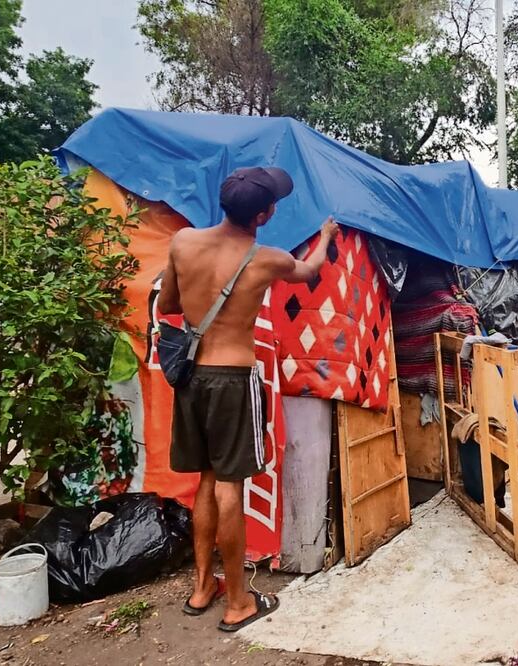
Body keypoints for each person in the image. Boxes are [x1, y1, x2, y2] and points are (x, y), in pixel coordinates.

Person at [158, 166, 340, 632]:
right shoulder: (268, 260)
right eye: (273, 203)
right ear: (263, 215)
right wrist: (325, 235)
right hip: (232, 379)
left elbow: (168, 307)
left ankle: (202, 589)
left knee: (205, 479)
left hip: (191, 378)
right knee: (229, 486)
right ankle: (239, 601)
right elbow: (313, 269)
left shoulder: (183, 243)